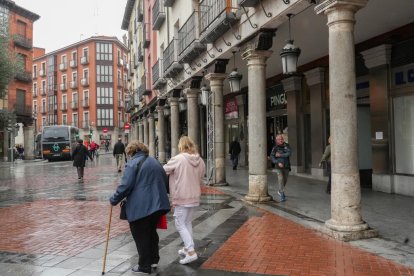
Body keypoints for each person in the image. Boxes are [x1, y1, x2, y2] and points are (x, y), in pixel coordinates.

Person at [110, 140, 170, 274]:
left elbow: (125, 186)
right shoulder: (155, 161)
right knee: (151, 233)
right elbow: (165, 182)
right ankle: (153, 259)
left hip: (142, 206)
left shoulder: (132, 163)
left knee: (140, 235)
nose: (129, 156)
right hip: (158, 204)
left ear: (132, 151)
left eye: (129, 153)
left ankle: (144, 266)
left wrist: (114, 199)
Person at [163, 136, 206, 265]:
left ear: (181, 146)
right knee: (187, 222)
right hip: (194, 196)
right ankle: (188, 248)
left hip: (181, 196)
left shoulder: (178, 159)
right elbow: (202, 176)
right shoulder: (200, 160)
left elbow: (163, 170)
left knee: (180, 224)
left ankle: (191, 252)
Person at [270, 134, 291, 202]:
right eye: (279, 139)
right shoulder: (275, 148)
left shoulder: (287, 146)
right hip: (278, 166)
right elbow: (272, 157)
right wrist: (277, 162)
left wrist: (280, 155)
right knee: (281, 178)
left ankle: (279, 190)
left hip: (286, 166)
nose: (281, 140)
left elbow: (289, 153)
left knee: (285, 180)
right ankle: (282, 193)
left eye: (281, 139)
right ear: (276, 140)